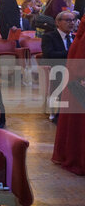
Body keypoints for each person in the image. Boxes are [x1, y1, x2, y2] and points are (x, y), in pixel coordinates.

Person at [52, 19, 85, 175]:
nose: (71, 23)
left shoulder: (78, 39)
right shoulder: (81, 41)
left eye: (73, 20)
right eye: (67, 20)